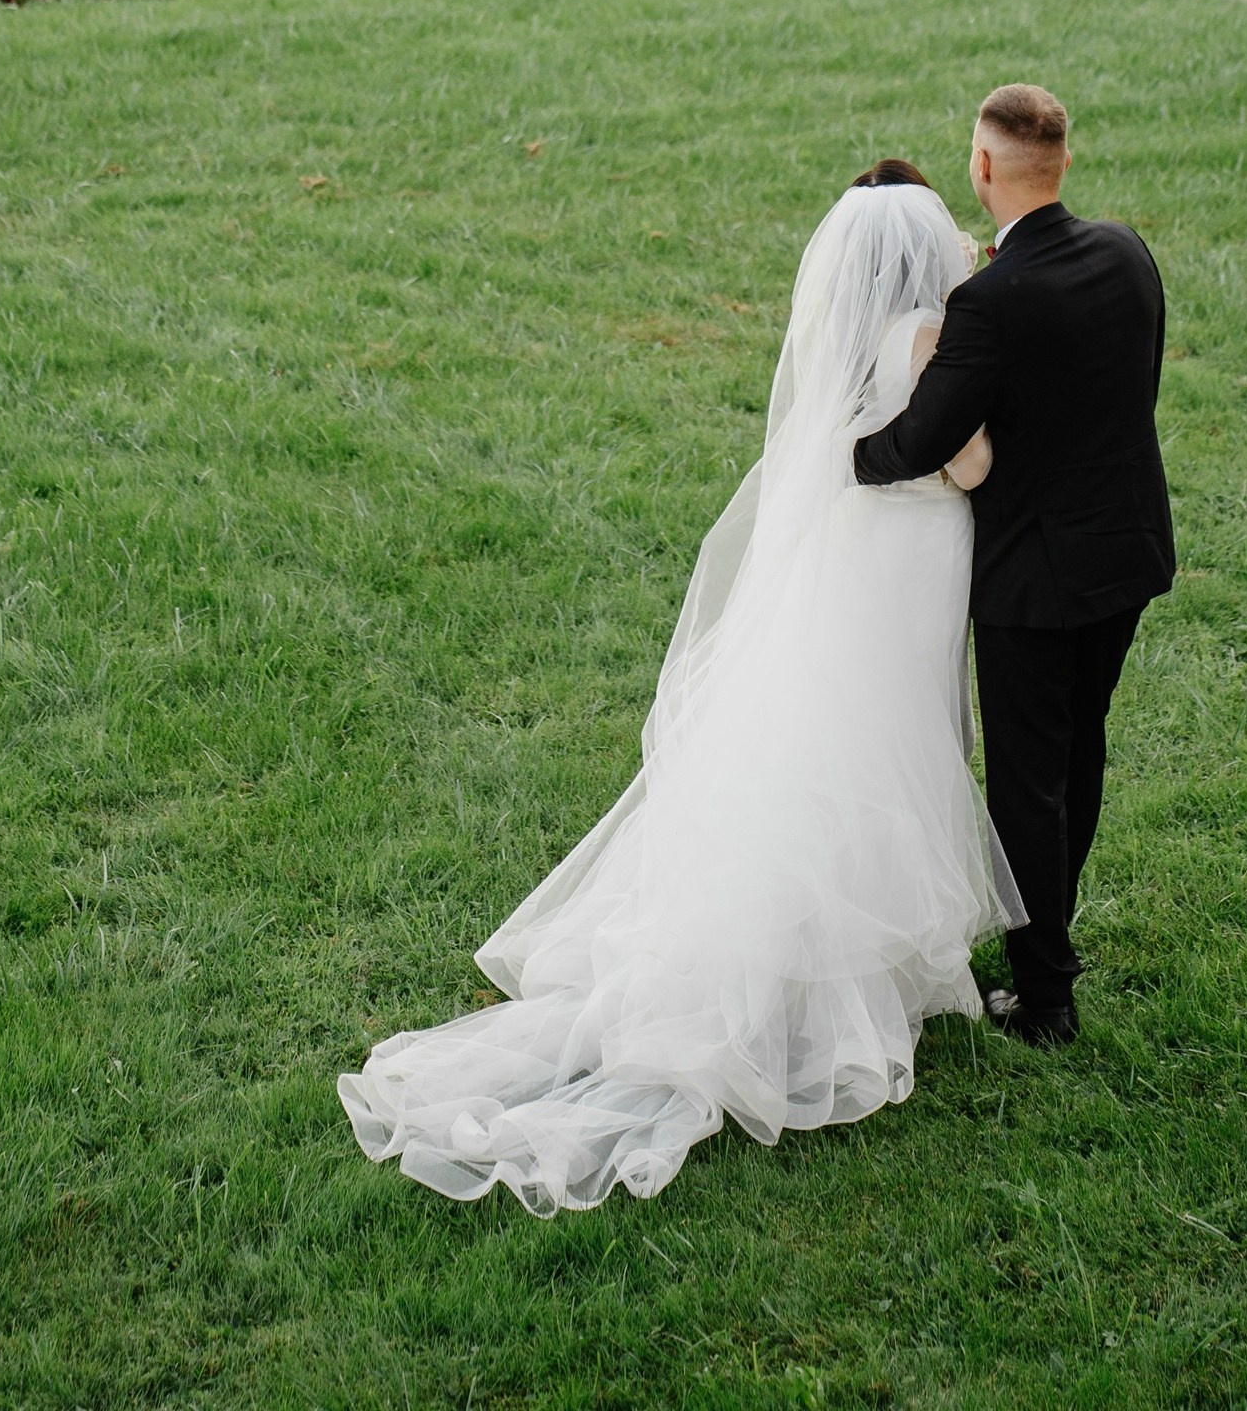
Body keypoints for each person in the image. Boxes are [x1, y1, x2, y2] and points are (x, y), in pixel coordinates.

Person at [339, 162, 1018, 1215]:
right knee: (896, 742)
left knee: (845, 742)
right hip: (913, 560)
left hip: (854, 559)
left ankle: (840, 965)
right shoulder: (930, 337)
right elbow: (967, 467)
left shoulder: (841, 337)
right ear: (924, 254)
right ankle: (855, 983)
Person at [854, 85, 1174, 1046]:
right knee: (1079, 750)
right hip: (1125, 551)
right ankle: (1052, 942)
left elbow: (919, 441)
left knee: (1026, 782)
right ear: (1062, 162)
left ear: (981, 167)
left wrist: (837, 457)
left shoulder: (986, 302)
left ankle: (1043, 996)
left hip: (1034, 579)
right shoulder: (1126, 253)